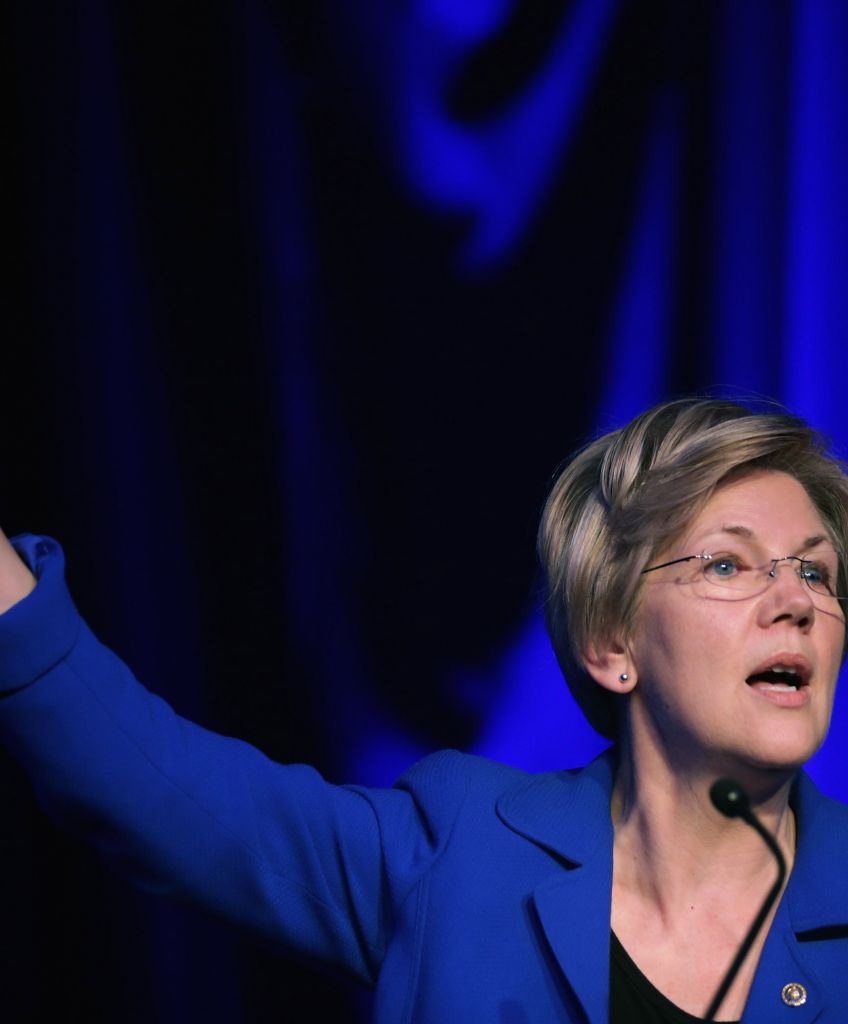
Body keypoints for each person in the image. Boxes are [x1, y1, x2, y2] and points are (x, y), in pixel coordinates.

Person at [0, 396, 846, 1023]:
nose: (796, 603)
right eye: (731, 567)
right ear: (612, 644)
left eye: (816, 572)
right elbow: (156, 791)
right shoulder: (461, 851)